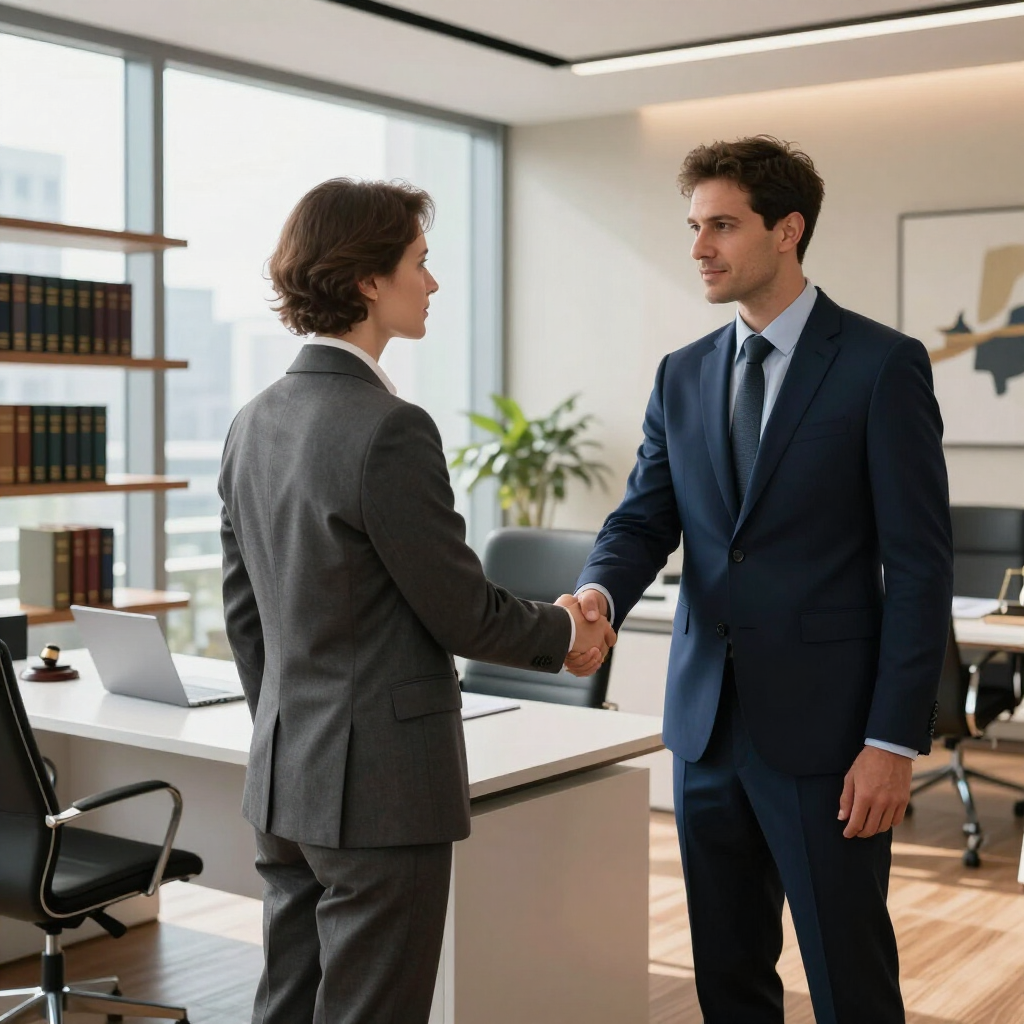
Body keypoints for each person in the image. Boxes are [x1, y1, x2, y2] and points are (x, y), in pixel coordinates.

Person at [564, 136, 953, 1023]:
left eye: (722, 226)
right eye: (694, 226)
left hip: (832, 736)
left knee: (849, 976)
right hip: (705, 725)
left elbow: (921, 566)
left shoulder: (881, 365)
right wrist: (597, 593)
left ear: (788, 230)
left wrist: (893, 741)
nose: (700, 246)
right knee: (728, 977)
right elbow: (642, 519)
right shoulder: (684, 373)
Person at [218, 177, 614, 1024]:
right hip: (381, 791)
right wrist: (566, 632)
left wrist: (290, 725)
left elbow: (245, 612)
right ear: (368, 279)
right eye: (420, 263)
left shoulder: (252, 420)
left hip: (287, 775)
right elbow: (458, 609)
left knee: (288, 1000)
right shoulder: (387, 427)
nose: (432, 283)